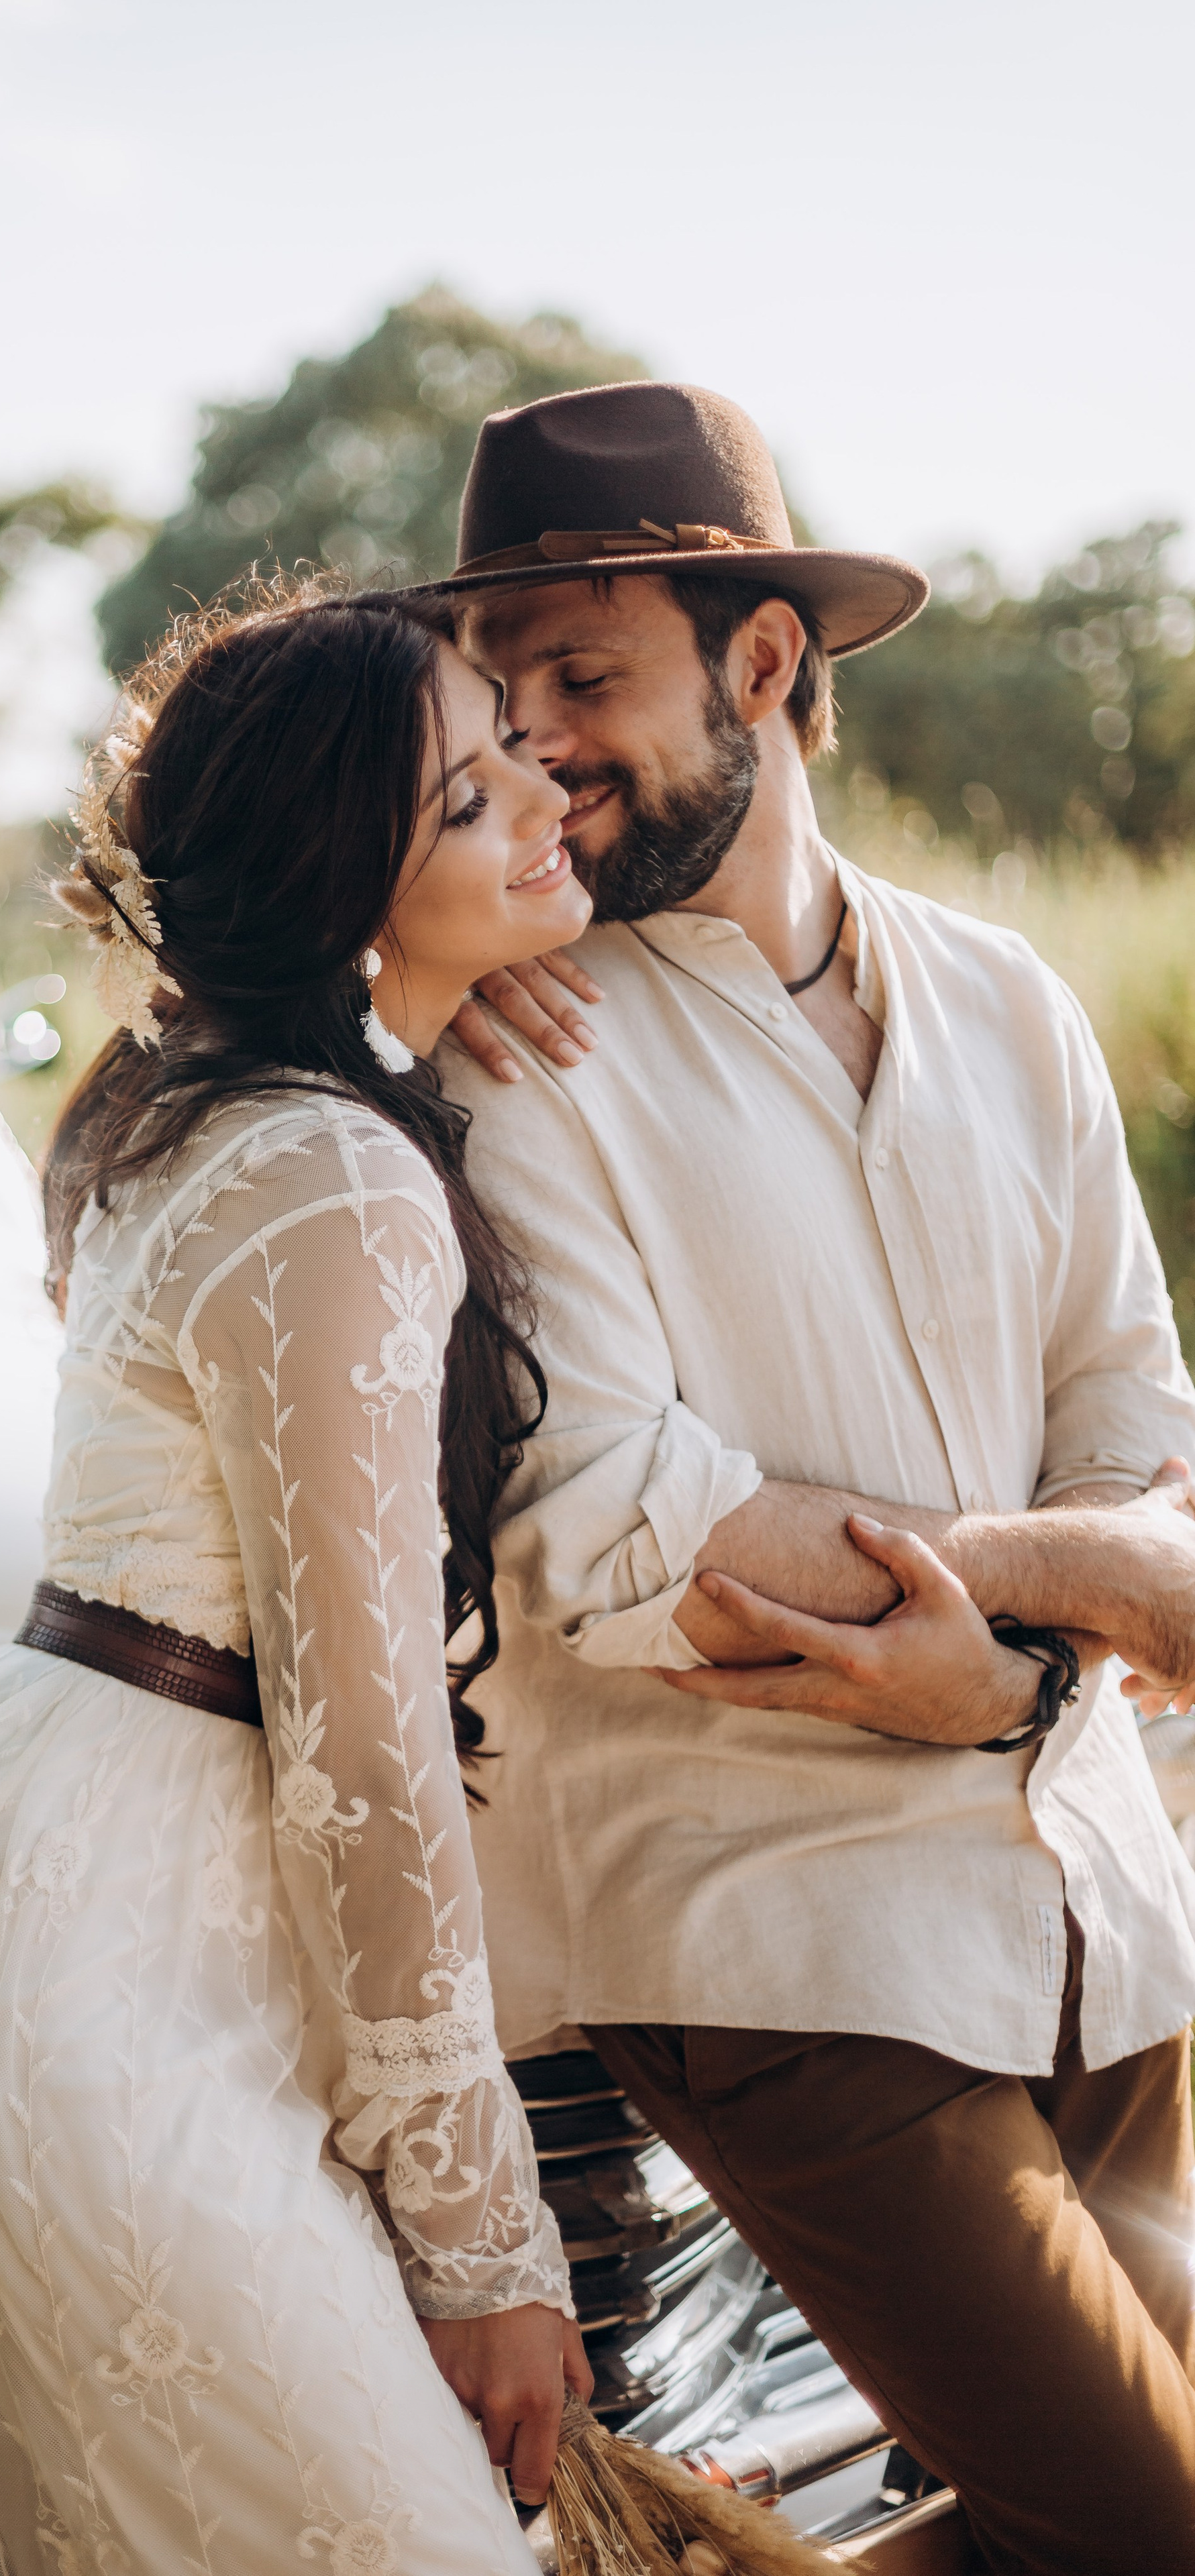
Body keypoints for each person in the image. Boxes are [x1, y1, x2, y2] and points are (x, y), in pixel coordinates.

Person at [419, 378, 1195, 2575]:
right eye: (498, 688)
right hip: (778, 1931)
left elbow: (1138, 1419)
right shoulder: (520, 1043)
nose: (533, 742)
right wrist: (1065, 1578)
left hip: (1100, 1895)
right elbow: (621, 1528)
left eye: (585, 677)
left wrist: (1020, 1678)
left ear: (763, 664)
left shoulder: (1012, 1003)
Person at [0, 580, 599, 2576]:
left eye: (515, 753)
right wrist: (484, 2244)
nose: (543, 797)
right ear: (343, 894)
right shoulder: (335, 1172)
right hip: (102, 1953)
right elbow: (365, 1744)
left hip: (24, 1854)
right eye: (466, 802)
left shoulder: (211, 1115)